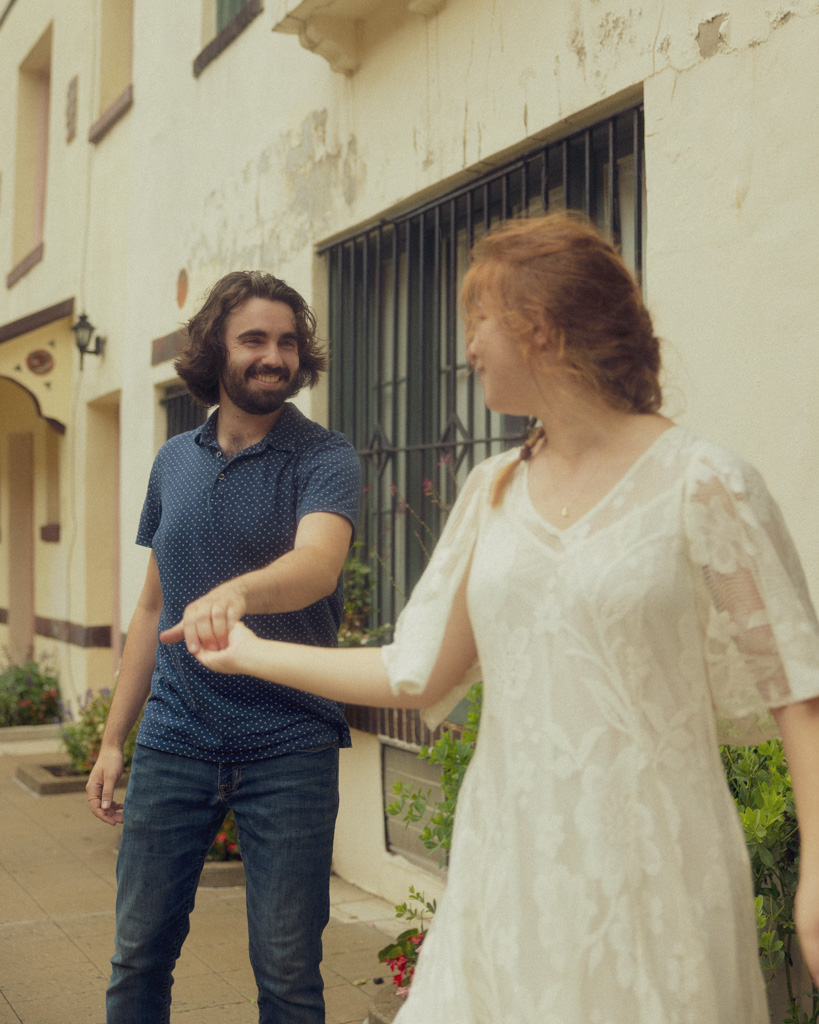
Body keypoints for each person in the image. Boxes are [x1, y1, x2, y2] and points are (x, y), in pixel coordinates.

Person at [181, 215, 819, 1023]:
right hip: (508, 869)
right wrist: (248, 653)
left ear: (538, 326)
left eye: (477, 322)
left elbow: (796, 684)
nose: (469, 349)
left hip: (656, 870)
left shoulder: (705, 482)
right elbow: (414, 670)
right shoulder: (492, 490)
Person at [86, 271, 361, 1024]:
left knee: (287, 973)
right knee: (137, 955)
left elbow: (316, 567)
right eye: (254, 339)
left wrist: (239, 593)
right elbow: (152, 607)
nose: (274, 356)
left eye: (287, 342)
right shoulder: (172, 461)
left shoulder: (323, 456)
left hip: (289, 741)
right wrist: (116, 740)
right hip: (175, 738)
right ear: (216, 348)